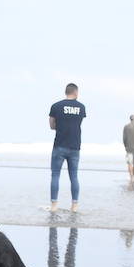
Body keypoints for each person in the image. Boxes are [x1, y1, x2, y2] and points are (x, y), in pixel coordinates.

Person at [48, 83, 85, 212]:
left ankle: (54, 205)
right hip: (75, 146)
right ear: (75, 92)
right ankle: (74, 205)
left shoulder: (56, 106)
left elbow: (52, 125)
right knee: (74, 176)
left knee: (55, 175)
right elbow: (78, 123)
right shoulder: (81, 107)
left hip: (59, 145)